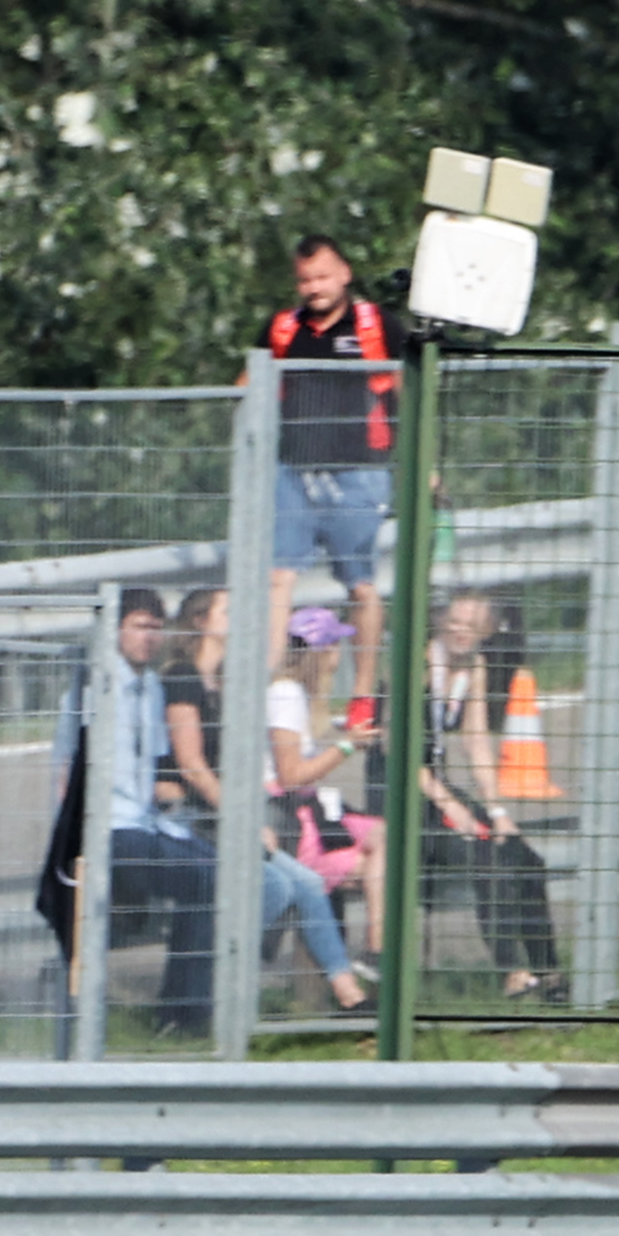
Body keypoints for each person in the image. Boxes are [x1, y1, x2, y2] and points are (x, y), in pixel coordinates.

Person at [155, 588, 371, 1013]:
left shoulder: (223, 681)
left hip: (220, 812)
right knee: (274, 887)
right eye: (228, 610)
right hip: (190, 815)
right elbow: (192, 765)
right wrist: (244, 820)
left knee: (306, 883)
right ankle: (218, 988)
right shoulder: (181, 677)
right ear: (201, 622)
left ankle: (350, 996)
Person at [35, 588, 213, 1036]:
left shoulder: (151, 686)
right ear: (116, 630)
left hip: (144, 819)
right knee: (200, 877)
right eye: (139, 627)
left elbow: (148, 763)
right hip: (107, 827)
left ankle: (190, 1008)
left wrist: (173, 796)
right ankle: (181, 1013)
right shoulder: (95, 683)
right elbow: (66, 763)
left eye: (156, 629)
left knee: (214, 868)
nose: (149, 638)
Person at [259, 236, 393, 714]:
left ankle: (363, 693)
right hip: (292, 471)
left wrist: (426, 464)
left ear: (344, 274)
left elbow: (402, 393)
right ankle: (268, 687)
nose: (314, 288)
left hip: (358, 472)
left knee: (360, 584)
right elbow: (252, 387)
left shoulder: (375, 326)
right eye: (305, 279)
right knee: (278, 578)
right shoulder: (283, 328)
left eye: (322, 277)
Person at [417, 588, 564, 1003]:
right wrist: (449, 805)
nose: (463, 632)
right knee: (485, 855)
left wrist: (497, 810)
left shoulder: (474, 667)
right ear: (441, 621)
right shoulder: (422, 664)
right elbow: (398, 749)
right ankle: (510, 970)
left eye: (473, 625)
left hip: (440, 786)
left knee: (523, 856)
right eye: (456, 622)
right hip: (405, 790)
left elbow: (476, 740)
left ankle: (548, 971)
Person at [267, 605, 383, 964]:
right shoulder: (286, 694)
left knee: (384, 836)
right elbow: (290, 775)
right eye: (333, 647)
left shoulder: (297, 695)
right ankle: (373, 953)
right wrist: (346, 747)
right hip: (287, 815)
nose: (338, 656)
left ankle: (376, 946)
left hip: (308, 809)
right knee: (373, 863)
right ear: (319, 652)